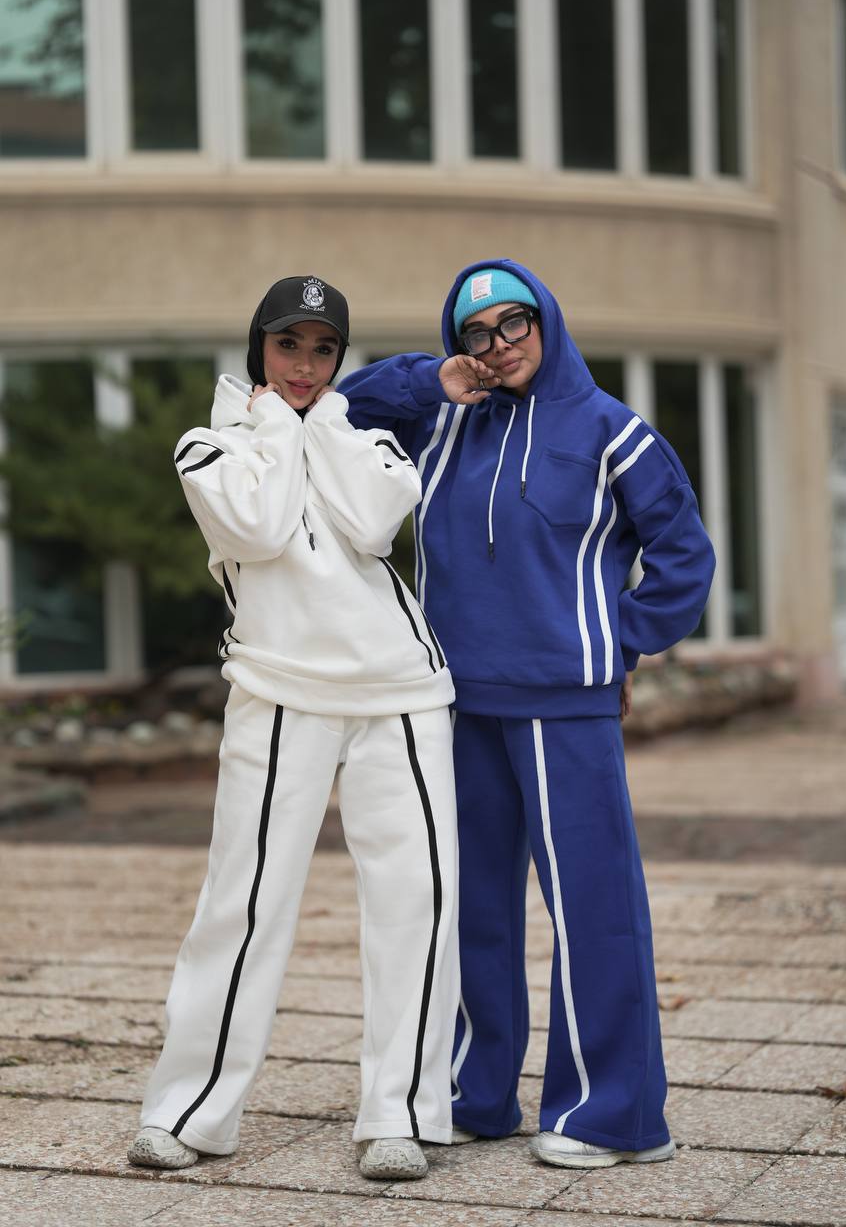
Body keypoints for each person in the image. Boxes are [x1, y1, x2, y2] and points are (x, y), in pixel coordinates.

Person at [338, 259, 716, 1169]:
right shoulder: (441, 423)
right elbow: (341, 409)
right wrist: (431, 380)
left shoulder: (611, 431)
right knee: (471, 908)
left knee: (593, 910)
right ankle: (476, 1092)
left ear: (545, 321)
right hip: (456, 700)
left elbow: (683, 555)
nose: (499, 345)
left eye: (514, 324)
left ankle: (612, 1114)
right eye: (476, 333)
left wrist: (616, 641)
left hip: (564, 708)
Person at [127, 275, 459, 1182]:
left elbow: (371, 524)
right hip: (278, 693)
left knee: (417, 905)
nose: (304, 366)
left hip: (402, 694)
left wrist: (324, 425)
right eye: (288, 346)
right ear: (258, 349)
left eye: (322, 350)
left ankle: (399, 1114)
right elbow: (261, 529)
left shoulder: (369, 441)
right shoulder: (209, 447)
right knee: (241, 903)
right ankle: (190, 1113)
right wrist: (274, 422)